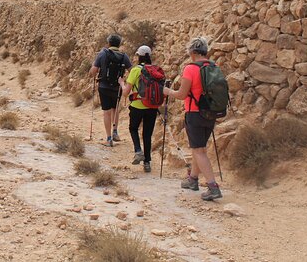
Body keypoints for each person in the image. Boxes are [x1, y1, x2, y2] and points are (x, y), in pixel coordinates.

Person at [163, 37, 222, 201]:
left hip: (195, 113)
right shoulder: (213, 66)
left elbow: (182, 94)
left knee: (198, 150)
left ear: (193, 51)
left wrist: (167, 92)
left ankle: (212, 186)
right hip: (211, 112)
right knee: (200, 147)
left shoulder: (190, 68)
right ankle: (193, 180)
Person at [119, 45, 159, 173]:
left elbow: (126, 92)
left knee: (133, 128)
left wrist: (121, 83)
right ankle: (147, 162)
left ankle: (138, 150)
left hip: (137, 105)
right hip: (152, 106)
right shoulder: (155, 70)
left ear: (138, 56)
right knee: (147, 134)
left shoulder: (136, 70)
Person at [89, 34, 132, 147]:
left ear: (108, 43)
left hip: (104, 86)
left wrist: (94, 70)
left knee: (106, 112)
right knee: (115, 109)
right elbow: (131, 70)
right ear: (119, 44)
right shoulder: (124, 56)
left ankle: (109, 139)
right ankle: (115, 132)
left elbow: (93, 71)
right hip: (117, 87)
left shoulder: (103, 53)